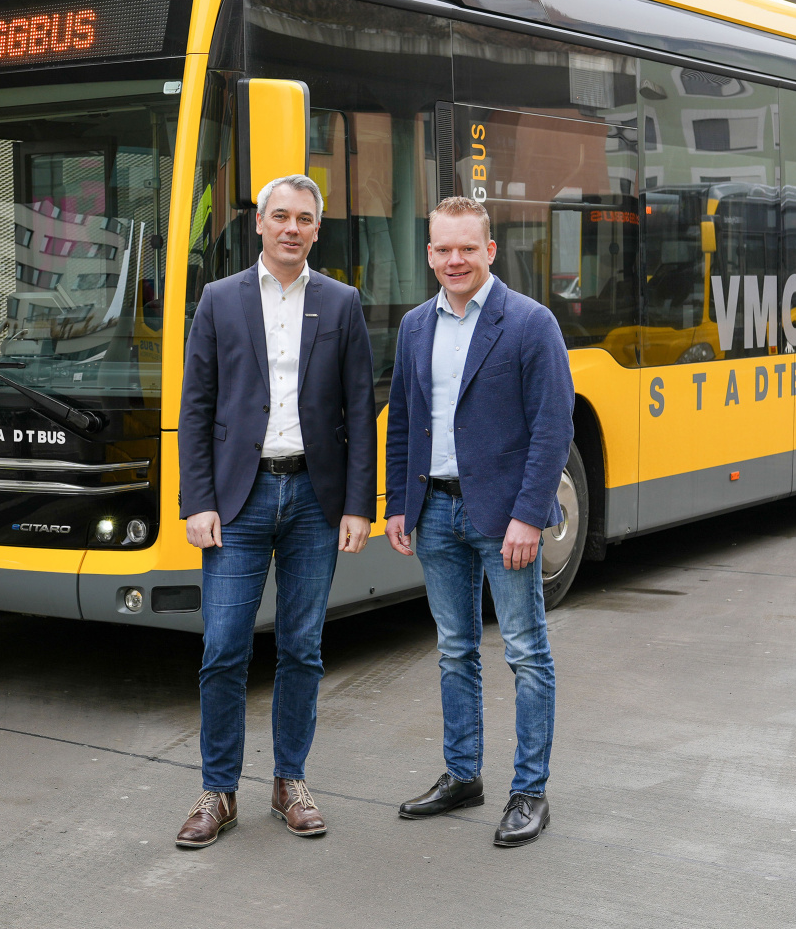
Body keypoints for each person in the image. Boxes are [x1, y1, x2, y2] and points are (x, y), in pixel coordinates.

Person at [177, 173, 377, 848]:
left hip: (316, 500)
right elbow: (196, 408)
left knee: (302, 649)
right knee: (223, 648)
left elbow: (360, 410)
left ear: (317, 230)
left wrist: (358, 505)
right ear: (259, 223)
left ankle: (290, 781)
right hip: (238, 499)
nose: (292, 228)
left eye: (305, 219)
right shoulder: (219, 299)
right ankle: (218, 790)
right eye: (281, 216)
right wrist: (198, 501)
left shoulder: (342, 303)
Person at [384, 196, 574, 847]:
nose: (455, 260)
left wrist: (529, 516)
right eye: (443, 249)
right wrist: (398, 504)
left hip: (504, 518)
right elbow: (403, 421)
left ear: (490, 250)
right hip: (434, 510)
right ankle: (463, 775)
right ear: (429, 254)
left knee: (526, 652)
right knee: (454, 650)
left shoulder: (530, 323)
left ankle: (530, 791)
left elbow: (553, 428)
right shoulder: (415, 326)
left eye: (467, 248)